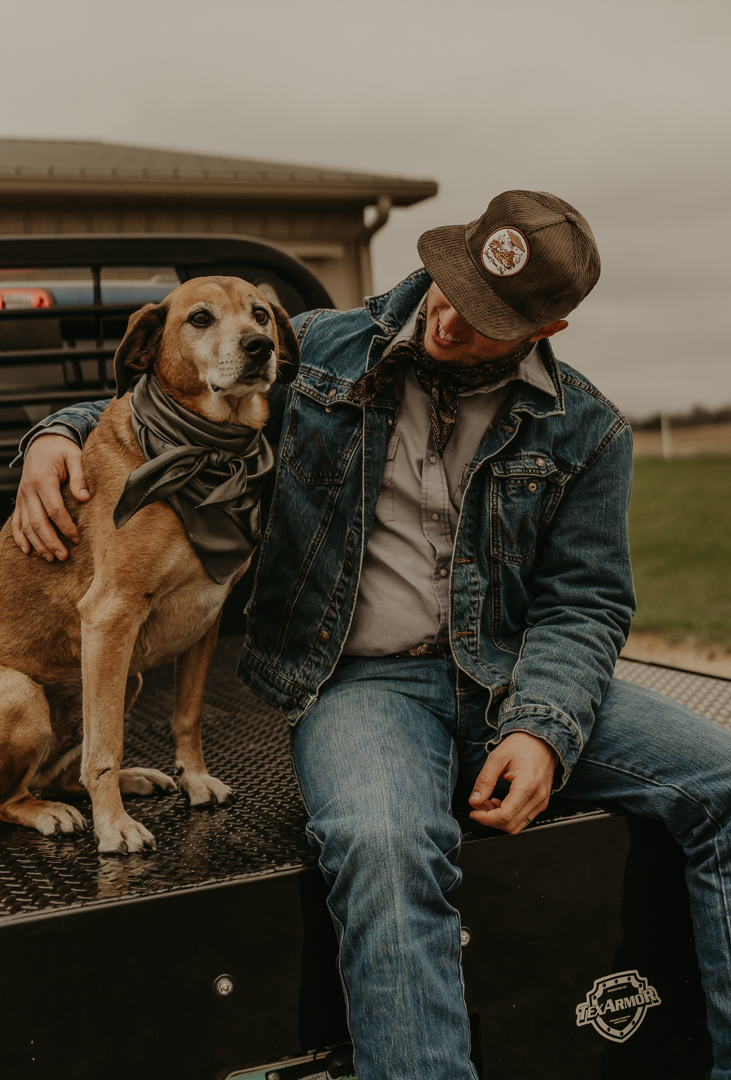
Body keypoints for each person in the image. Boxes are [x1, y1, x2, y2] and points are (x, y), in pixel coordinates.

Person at [11, 190, 731, 1080]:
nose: (450, 318)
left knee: (725, 784)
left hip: (513, 677)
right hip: (363, 684)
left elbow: (583, 606)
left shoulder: (586, 429)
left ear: (551, 326)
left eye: (487, 317)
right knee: (385, 851)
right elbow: (177, 387)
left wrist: (542, 728)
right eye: (450, 285)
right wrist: (54, 432)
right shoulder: (318, 346)